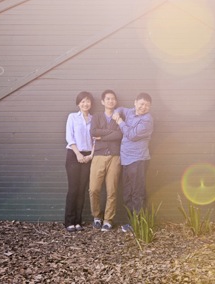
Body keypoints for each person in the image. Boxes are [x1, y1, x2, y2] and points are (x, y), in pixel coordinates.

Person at [113, 92, 154, 233]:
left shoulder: (147, 120)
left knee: (137, 193)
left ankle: (138, 224)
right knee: (127, 193)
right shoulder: (130, 112)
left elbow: (131, 135)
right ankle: (131, 223)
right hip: (126, 160)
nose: (143, 107)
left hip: (138, 160)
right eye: (141, 103)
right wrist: (117, 113)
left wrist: (119, 121)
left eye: (147, 105)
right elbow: (120, 109)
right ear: (135, 102)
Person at [89, 89, 123, 232]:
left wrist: (102, 137)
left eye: (113, 99)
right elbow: (93, 131)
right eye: (108, 99)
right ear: (103, 101)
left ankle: (108, 219)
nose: (111, 101)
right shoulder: (96, 116)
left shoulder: (118, 117)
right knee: (94, 189)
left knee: (112, 189)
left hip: (115, 156)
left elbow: (120, 134)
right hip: (98, 156)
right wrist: (110, 134)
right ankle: (97, 216)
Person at [64, 91, 95, 232]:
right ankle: (69, 221)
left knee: (82, 189)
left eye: (88, 101)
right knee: (73, 189)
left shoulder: (94, 119)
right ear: (78, 103)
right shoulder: (72, 117)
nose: (85, 103)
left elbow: (96, 140)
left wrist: (91, 156)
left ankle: (78, 221)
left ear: (91, 103)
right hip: (73, 154)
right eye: (82, 101)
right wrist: (77, 154)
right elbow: (69, 137)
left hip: (88, 156)